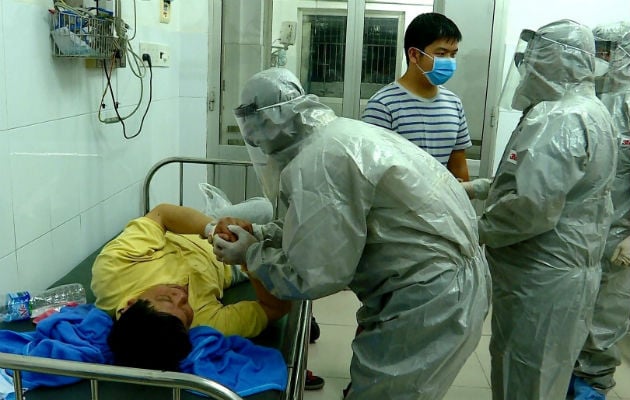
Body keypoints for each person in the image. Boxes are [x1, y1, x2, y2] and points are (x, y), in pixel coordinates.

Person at [210, 67, 490, 400]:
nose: (253, 139)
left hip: (429, 298)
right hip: (441, 282)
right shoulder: (340, 134)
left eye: (253, 127)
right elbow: (323, 224)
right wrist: (260, 232)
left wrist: (251, 255)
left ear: (272, 120)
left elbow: (315, 274)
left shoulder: (319, 162)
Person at [477, 20, 617, 400]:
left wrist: (474, 230)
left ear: (556, 59)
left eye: (535, 58)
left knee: (527, 378)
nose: (528, 69)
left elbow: (530, 207)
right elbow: (540, 184)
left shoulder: (560, 118)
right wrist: (479, 188)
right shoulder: (592, 111)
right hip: (565, 273)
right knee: (544, 375)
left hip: (541, 276)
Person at [91, 203, 292, 370]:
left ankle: (215, 208)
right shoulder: (206, 323)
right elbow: (277, 308)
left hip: (193, 230)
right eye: (186, 313)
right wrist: (250, 257)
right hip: (230, 262)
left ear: (130, 304)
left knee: (264, 208)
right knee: (280, 241)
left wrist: (211, 229)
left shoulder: (113, 269)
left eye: (166, 299)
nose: (181, 295)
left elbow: (162, 214)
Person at [571, 23, 630, 400]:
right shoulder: (587, 103)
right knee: (572, 318)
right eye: (599, 50)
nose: (601, 59)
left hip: (620, 241)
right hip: (578, 238)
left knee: (604, 323)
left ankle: (591, 389)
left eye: (608, 50)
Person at [361, 12, 472, 182]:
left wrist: (464, 199)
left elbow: (458, 166)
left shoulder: (454, 103)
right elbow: (372, 172)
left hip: (442, 207)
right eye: (441, 54)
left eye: (453, 54)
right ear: (414, 54)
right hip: (398, 207)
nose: (449, 61)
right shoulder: (382, 105)